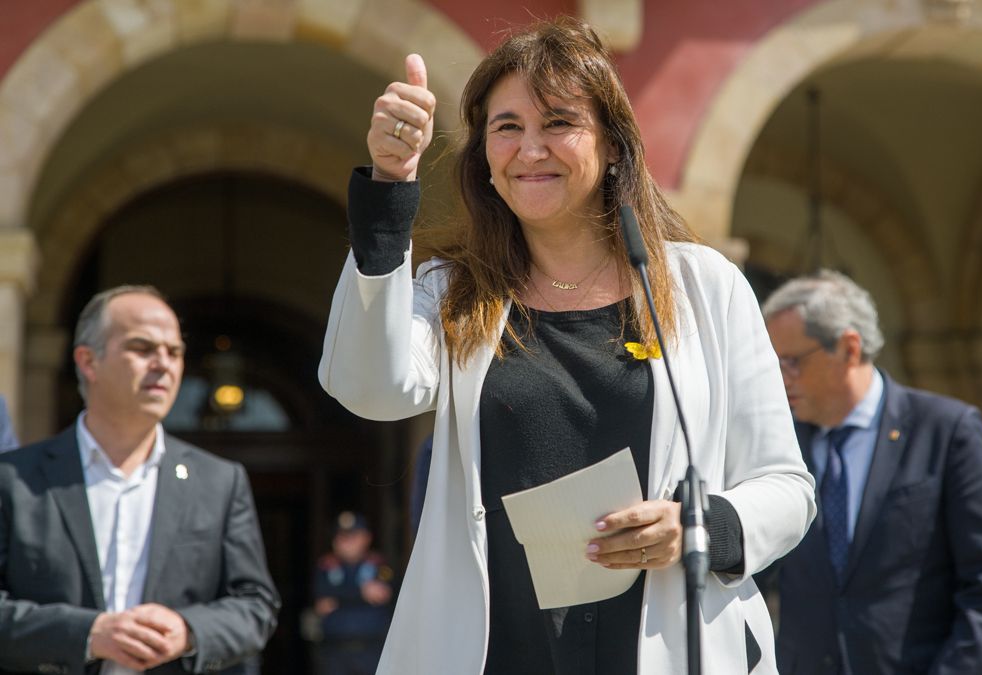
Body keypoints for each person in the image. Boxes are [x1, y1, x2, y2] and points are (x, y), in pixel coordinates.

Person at [318, 17, 816, 675]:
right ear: (484, 157)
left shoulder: (705, 285)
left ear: (612, 145)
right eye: (507, 127)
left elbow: (786, 486)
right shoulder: (453, 291)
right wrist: (388, 191)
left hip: (662, 648)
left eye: (558, 123)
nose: (530, 149)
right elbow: (368, 385)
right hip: (497, 651)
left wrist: (697, 527)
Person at [0, 285, 280, 674]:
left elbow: (254, 606)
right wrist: (88, 633)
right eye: (143, 348)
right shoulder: (13, 478)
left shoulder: (220, 482)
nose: (164, 363)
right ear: (88, 362)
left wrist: (188, 630)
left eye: (175, 352)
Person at [762, 271, 982, 674]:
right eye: (771, 364)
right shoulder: (780, 444)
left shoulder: (946, 431)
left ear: (849, 348)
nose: (779, 378)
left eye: (791, 362)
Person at [313, 512, 395, 675]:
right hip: (336, 652)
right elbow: (321, 602)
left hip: (371, 650)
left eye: (353, 537)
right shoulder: (326, 567)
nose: (347, 543)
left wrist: (339, 599)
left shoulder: (379, 566)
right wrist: (361, 592)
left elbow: (383, 595)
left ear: (366, 538)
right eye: (342, 537)